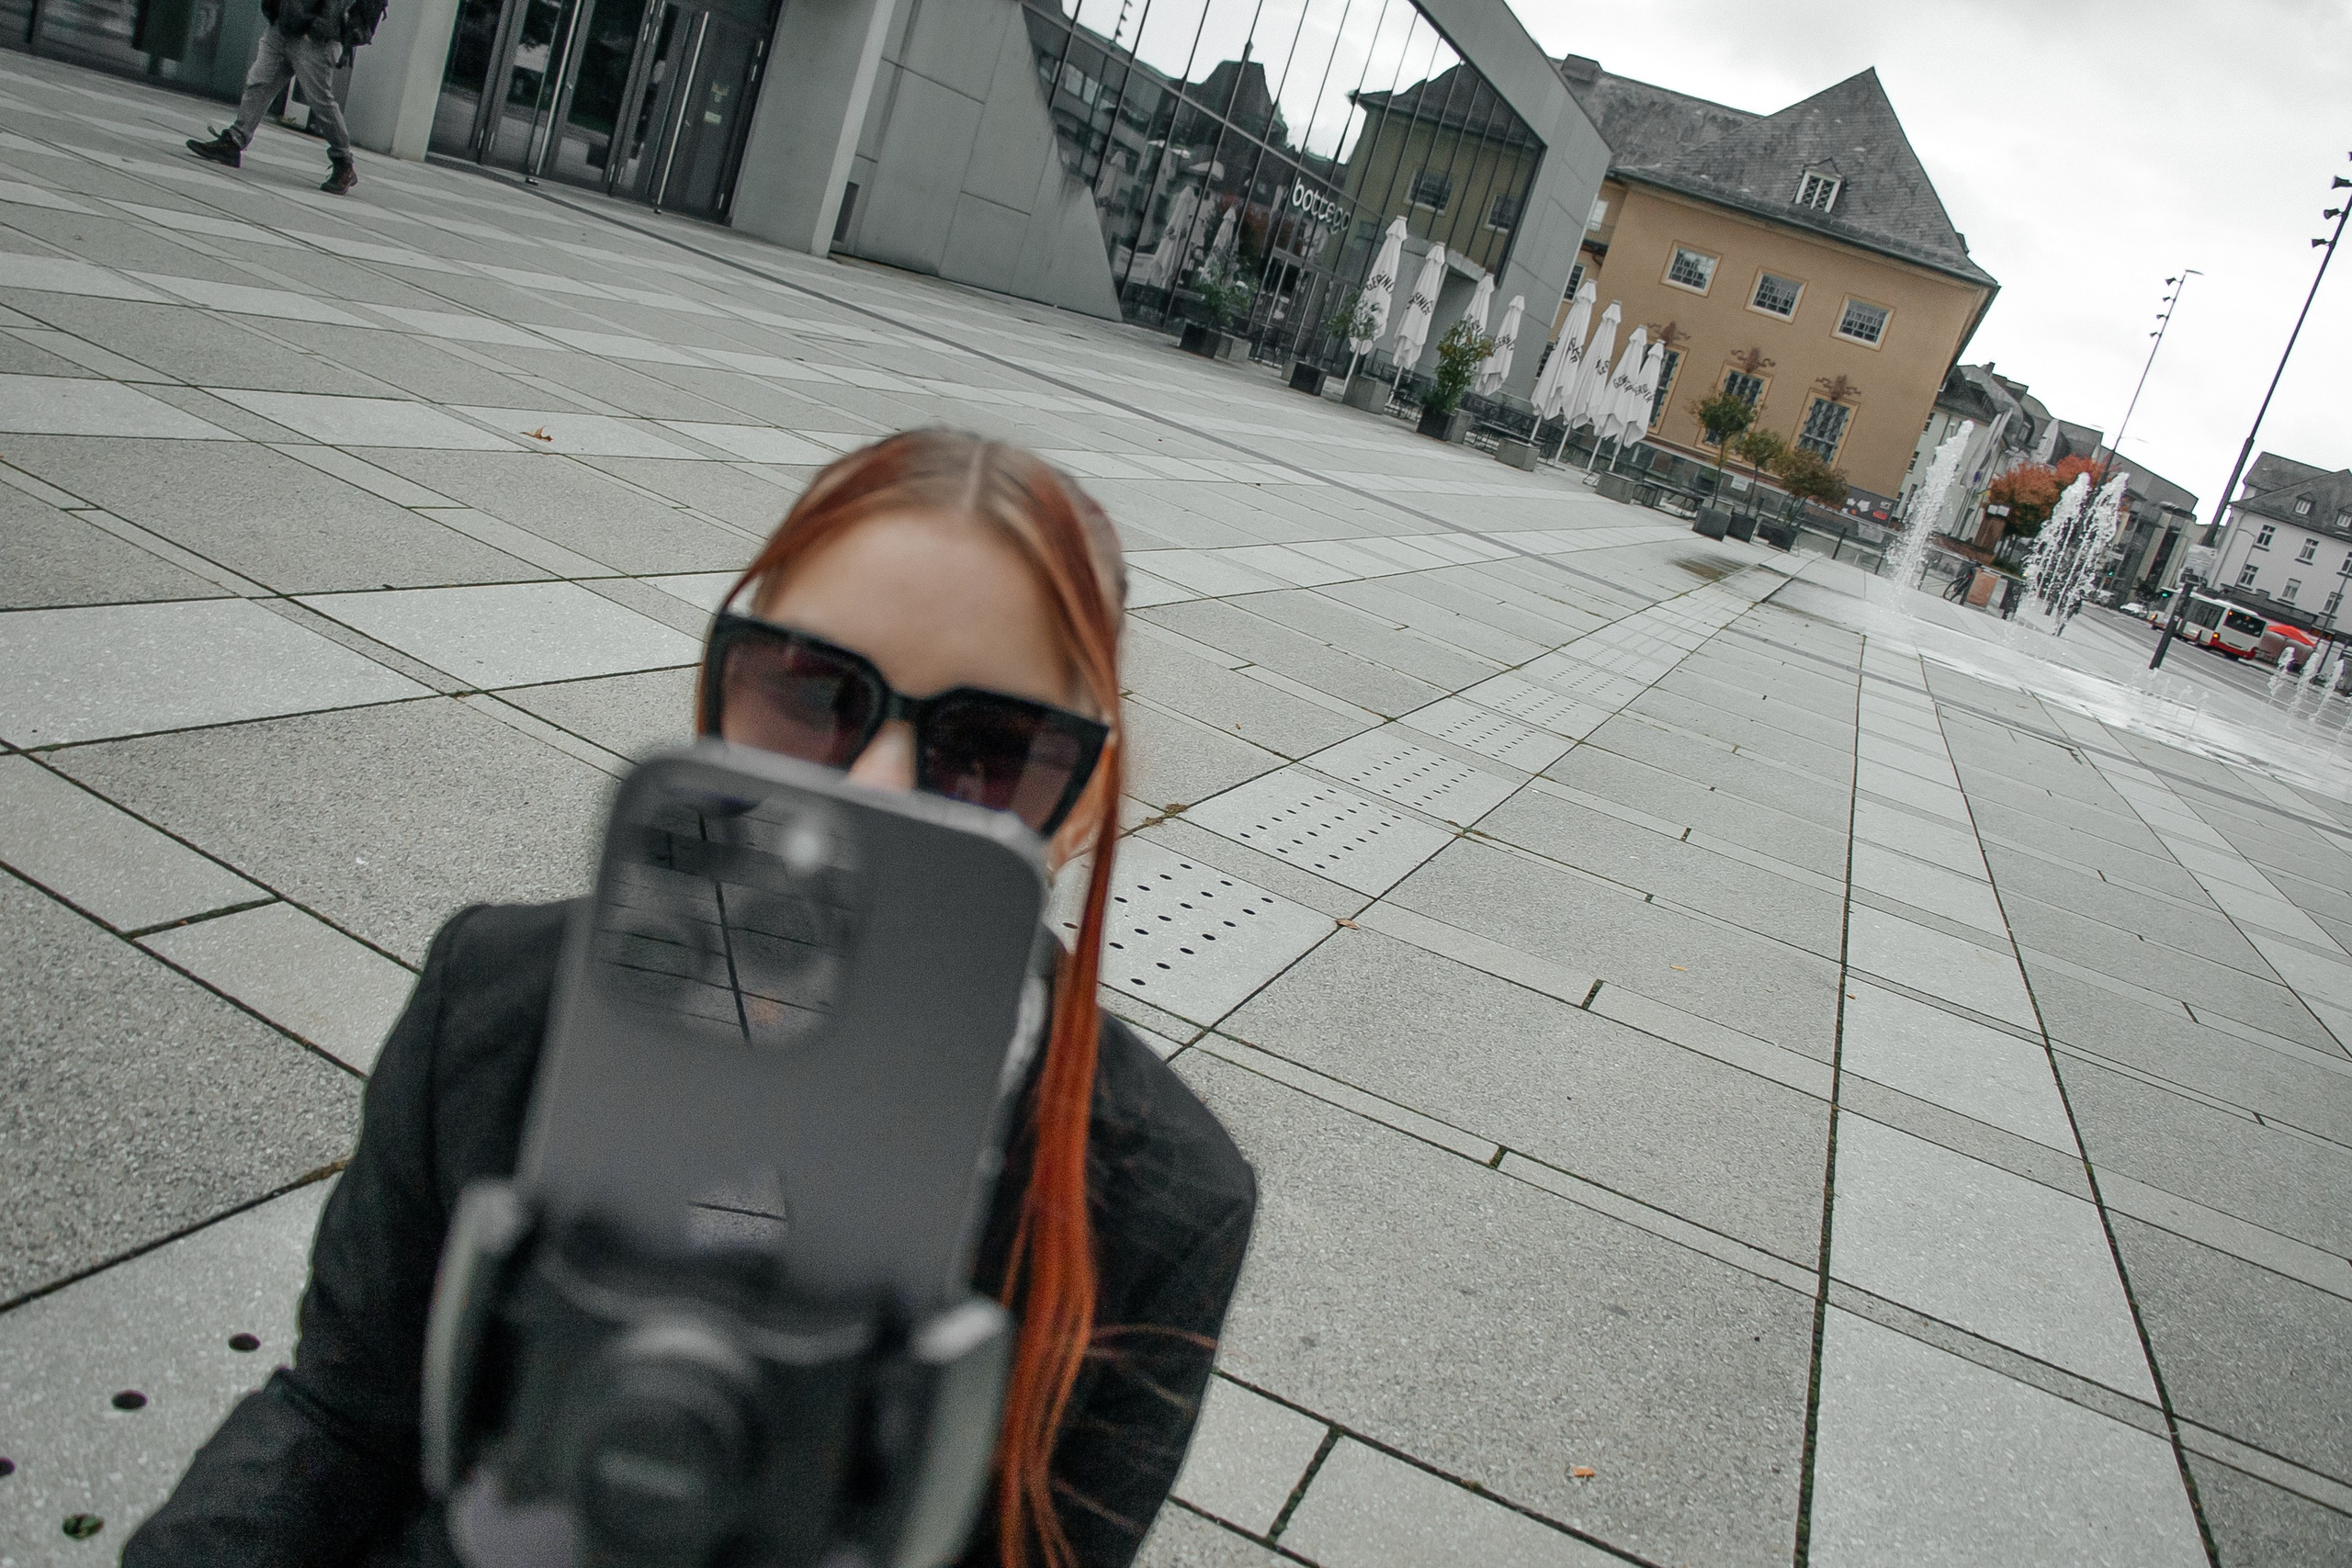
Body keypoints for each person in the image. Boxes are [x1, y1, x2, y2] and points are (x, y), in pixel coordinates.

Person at [125, 430, 1259, 1568]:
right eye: (809, 692)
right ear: (720, 685)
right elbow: (343, 1422)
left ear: (1083, 800)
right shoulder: (497, 998)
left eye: (993, 750)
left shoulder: (1158, 1200)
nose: (876, 785)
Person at [187, 0, 383, 194]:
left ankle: (343, 163)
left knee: (320, 101)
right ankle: (234, 141)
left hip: (313, 39)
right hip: (282, 27)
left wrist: (317, 28)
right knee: (259, 83)